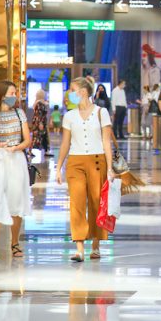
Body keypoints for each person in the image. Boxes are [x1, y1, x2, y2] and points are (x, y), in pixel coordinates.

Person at [56, 76, 115, 263]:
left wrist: (110, 168)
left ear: (82, 92)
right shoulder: (69, 116)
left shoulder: (101, 112)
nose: (69, 94)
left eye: (72, 89)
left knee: (96, 202)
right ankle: (79, 248)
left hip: (98, 161)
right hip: (75, 162)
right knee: (77, 203)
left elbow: (106, 141)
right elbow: (65, 143)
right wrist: (58, 167)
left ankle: (95, 245)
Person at [0, 80, 32, 263]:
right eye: (11, 93)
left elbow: (28, 140)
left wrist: (17, 147)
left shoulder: (20, 114)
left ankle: (15, 243)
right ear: (2, 95)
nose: (14, 96)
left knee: (15, 201)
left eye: (15, 93)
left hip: (16, 159)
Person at [31, 89, 52, 157]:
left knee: (43, 137)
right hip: (40, 123)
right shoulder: (39, 104)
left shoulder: (40, 103)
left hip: (42, 122)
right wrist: (40, 123)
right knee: (38, 137)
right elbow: (38, 114)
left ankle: (46, 150)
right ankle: (30, 150)